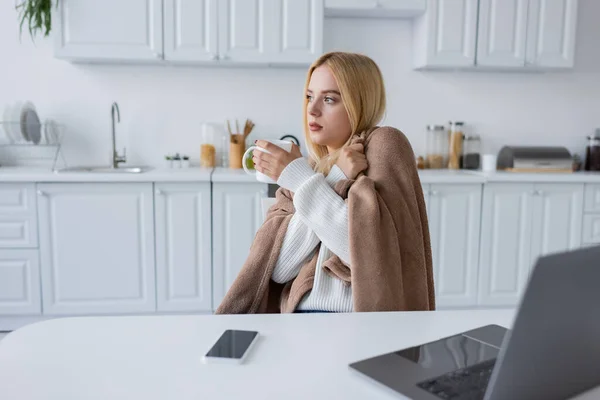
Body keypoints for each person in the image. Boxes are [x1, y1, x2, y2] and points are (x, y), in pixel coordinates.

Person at [216, 51, 435, 314]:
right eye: (309, 96)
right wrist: (333, 177)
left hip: (359, 321)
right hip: (300, 319)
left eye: (329, 99)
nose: (312, 109)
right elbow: (278, 269)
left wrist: (303, 181)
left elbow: (366, 258)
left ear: (359, 102)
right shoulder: (307, 169)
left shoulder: (384, 144)